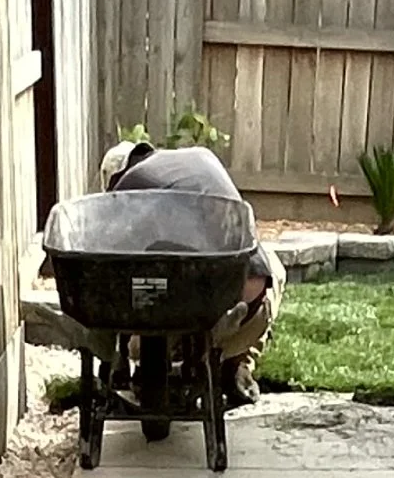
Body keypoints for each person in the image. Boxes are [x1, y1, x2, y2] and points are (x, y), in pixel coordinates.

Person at [98, 136, 286, 404]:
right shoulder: (201, 158)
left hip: (176, 316)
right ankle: (236, 363)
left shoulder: (129, 190)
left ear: (115, 179)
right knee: (273, 269)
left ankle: (205, 359)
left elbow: (117, 277)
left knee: (146, 288)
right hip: (244, 307)